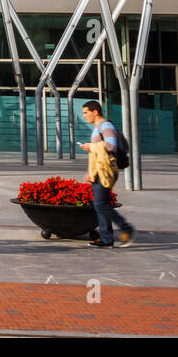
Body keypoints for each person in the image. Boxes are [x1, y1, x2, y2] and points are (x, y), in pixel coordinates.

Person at [78, 100, 136, 248]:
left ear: (95, 112)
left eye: (86, 113)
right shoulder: (98, 127)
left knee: (101, 204)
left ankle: (126, 228)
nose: (84, 116)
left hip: (106, 170)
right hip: (99, 170)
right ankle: (106, 239)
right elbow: (99, 151)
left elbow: (110, 146)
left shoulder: (105, 126)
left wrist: (91, 146)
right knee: (100, 204)